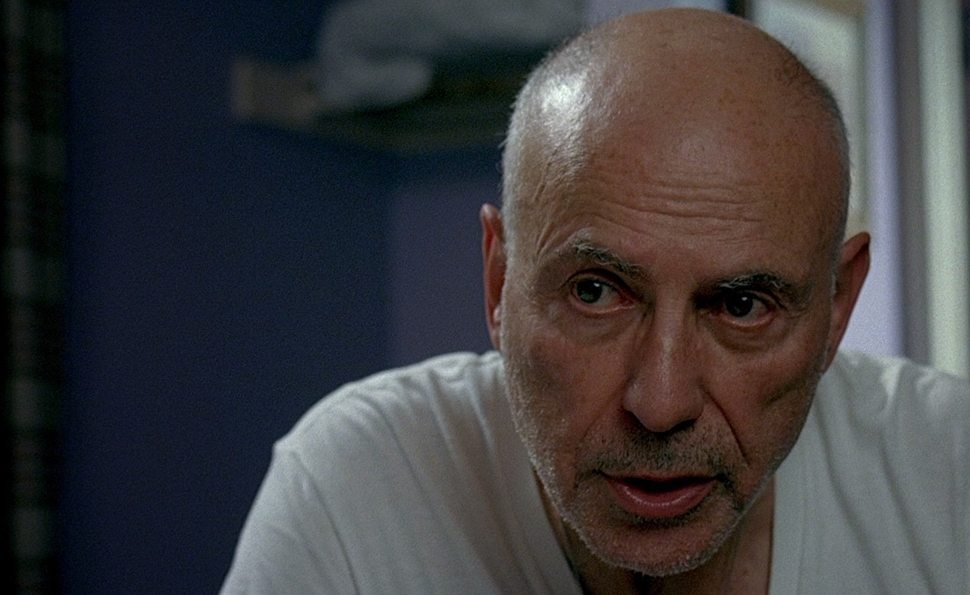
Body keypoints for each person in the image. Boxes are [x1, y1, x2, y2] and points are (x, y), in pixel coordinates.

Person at [221, 8, 969, 594]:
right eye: (595, 292)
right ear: (499, 283)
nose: (661, 402)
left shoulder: (950, 480)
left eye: (742, 306)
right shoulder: (359, 493)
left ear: (836, 307)